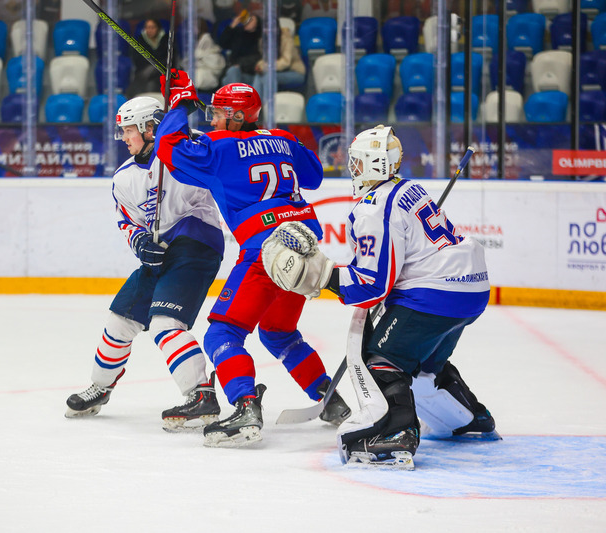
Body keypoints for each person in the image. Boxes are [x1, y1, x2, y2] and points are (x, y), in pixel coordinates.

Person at [261, 125, 497, 469]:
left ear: (373, 163)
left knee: (382, 361)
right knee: (425, 367)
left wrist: (323, 276)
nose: (352, 168)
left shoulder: (373, 207)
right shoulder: (409, 189)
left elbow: (372, 285)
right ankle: (468, 419)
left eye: (357, 162)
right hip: (470, 289)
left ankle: (393, 434)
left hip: (434, 293)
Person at [154, 71, 352, 448]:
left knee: (222, 334)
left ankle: (246, 406)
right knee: (278, 332)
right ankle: (330, 399)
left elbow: (169, 149)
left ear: (237, 117)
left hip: (266, 251)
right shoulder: (282, 138)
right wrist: (285, 144)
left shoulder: (219, 146)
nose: (212, 120)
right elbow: (314, 176)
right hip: (305, 248)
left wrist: (179, 103)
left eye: (218, 114)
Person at [65, 96, 226, 433]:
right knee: (120, 319)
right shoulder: (123, 178)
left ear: (150, 128)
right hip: (160, 250)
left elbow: (208, 150)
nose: (124, 137)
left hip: (196, 242)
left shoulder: (184, 153)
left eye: (129, 130)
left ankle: (201, 394)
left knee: (166, 322)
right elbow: (127, 221)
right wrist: (139, 241)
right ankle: (100, 387)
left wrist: (178, 120)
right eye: (122, 131)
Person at [127, 19, 170, 97]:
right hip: (143, 74)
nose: (150, 30)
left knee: (152, 84)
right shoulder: (139, 42)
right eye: (147, 27)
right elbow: (137, 60)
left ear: (158, 28)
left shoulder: (167, 40)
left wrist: (154, 68)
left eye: (152, 27)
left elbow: (170, 59)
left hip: (162, 74)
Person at [218, 10, 261, 86]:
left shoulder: (259, 38)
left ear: (257, 24)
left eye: (251, 20)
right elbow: (222, 43)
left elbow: (257, 58)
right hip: (232, 72)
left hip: (249, 74)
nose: (248, 21)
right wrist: (233, 25)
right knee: (231, 73)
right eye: (248, 18)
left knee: (233, 72)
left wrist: (239, 64)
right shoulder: (238, 33)